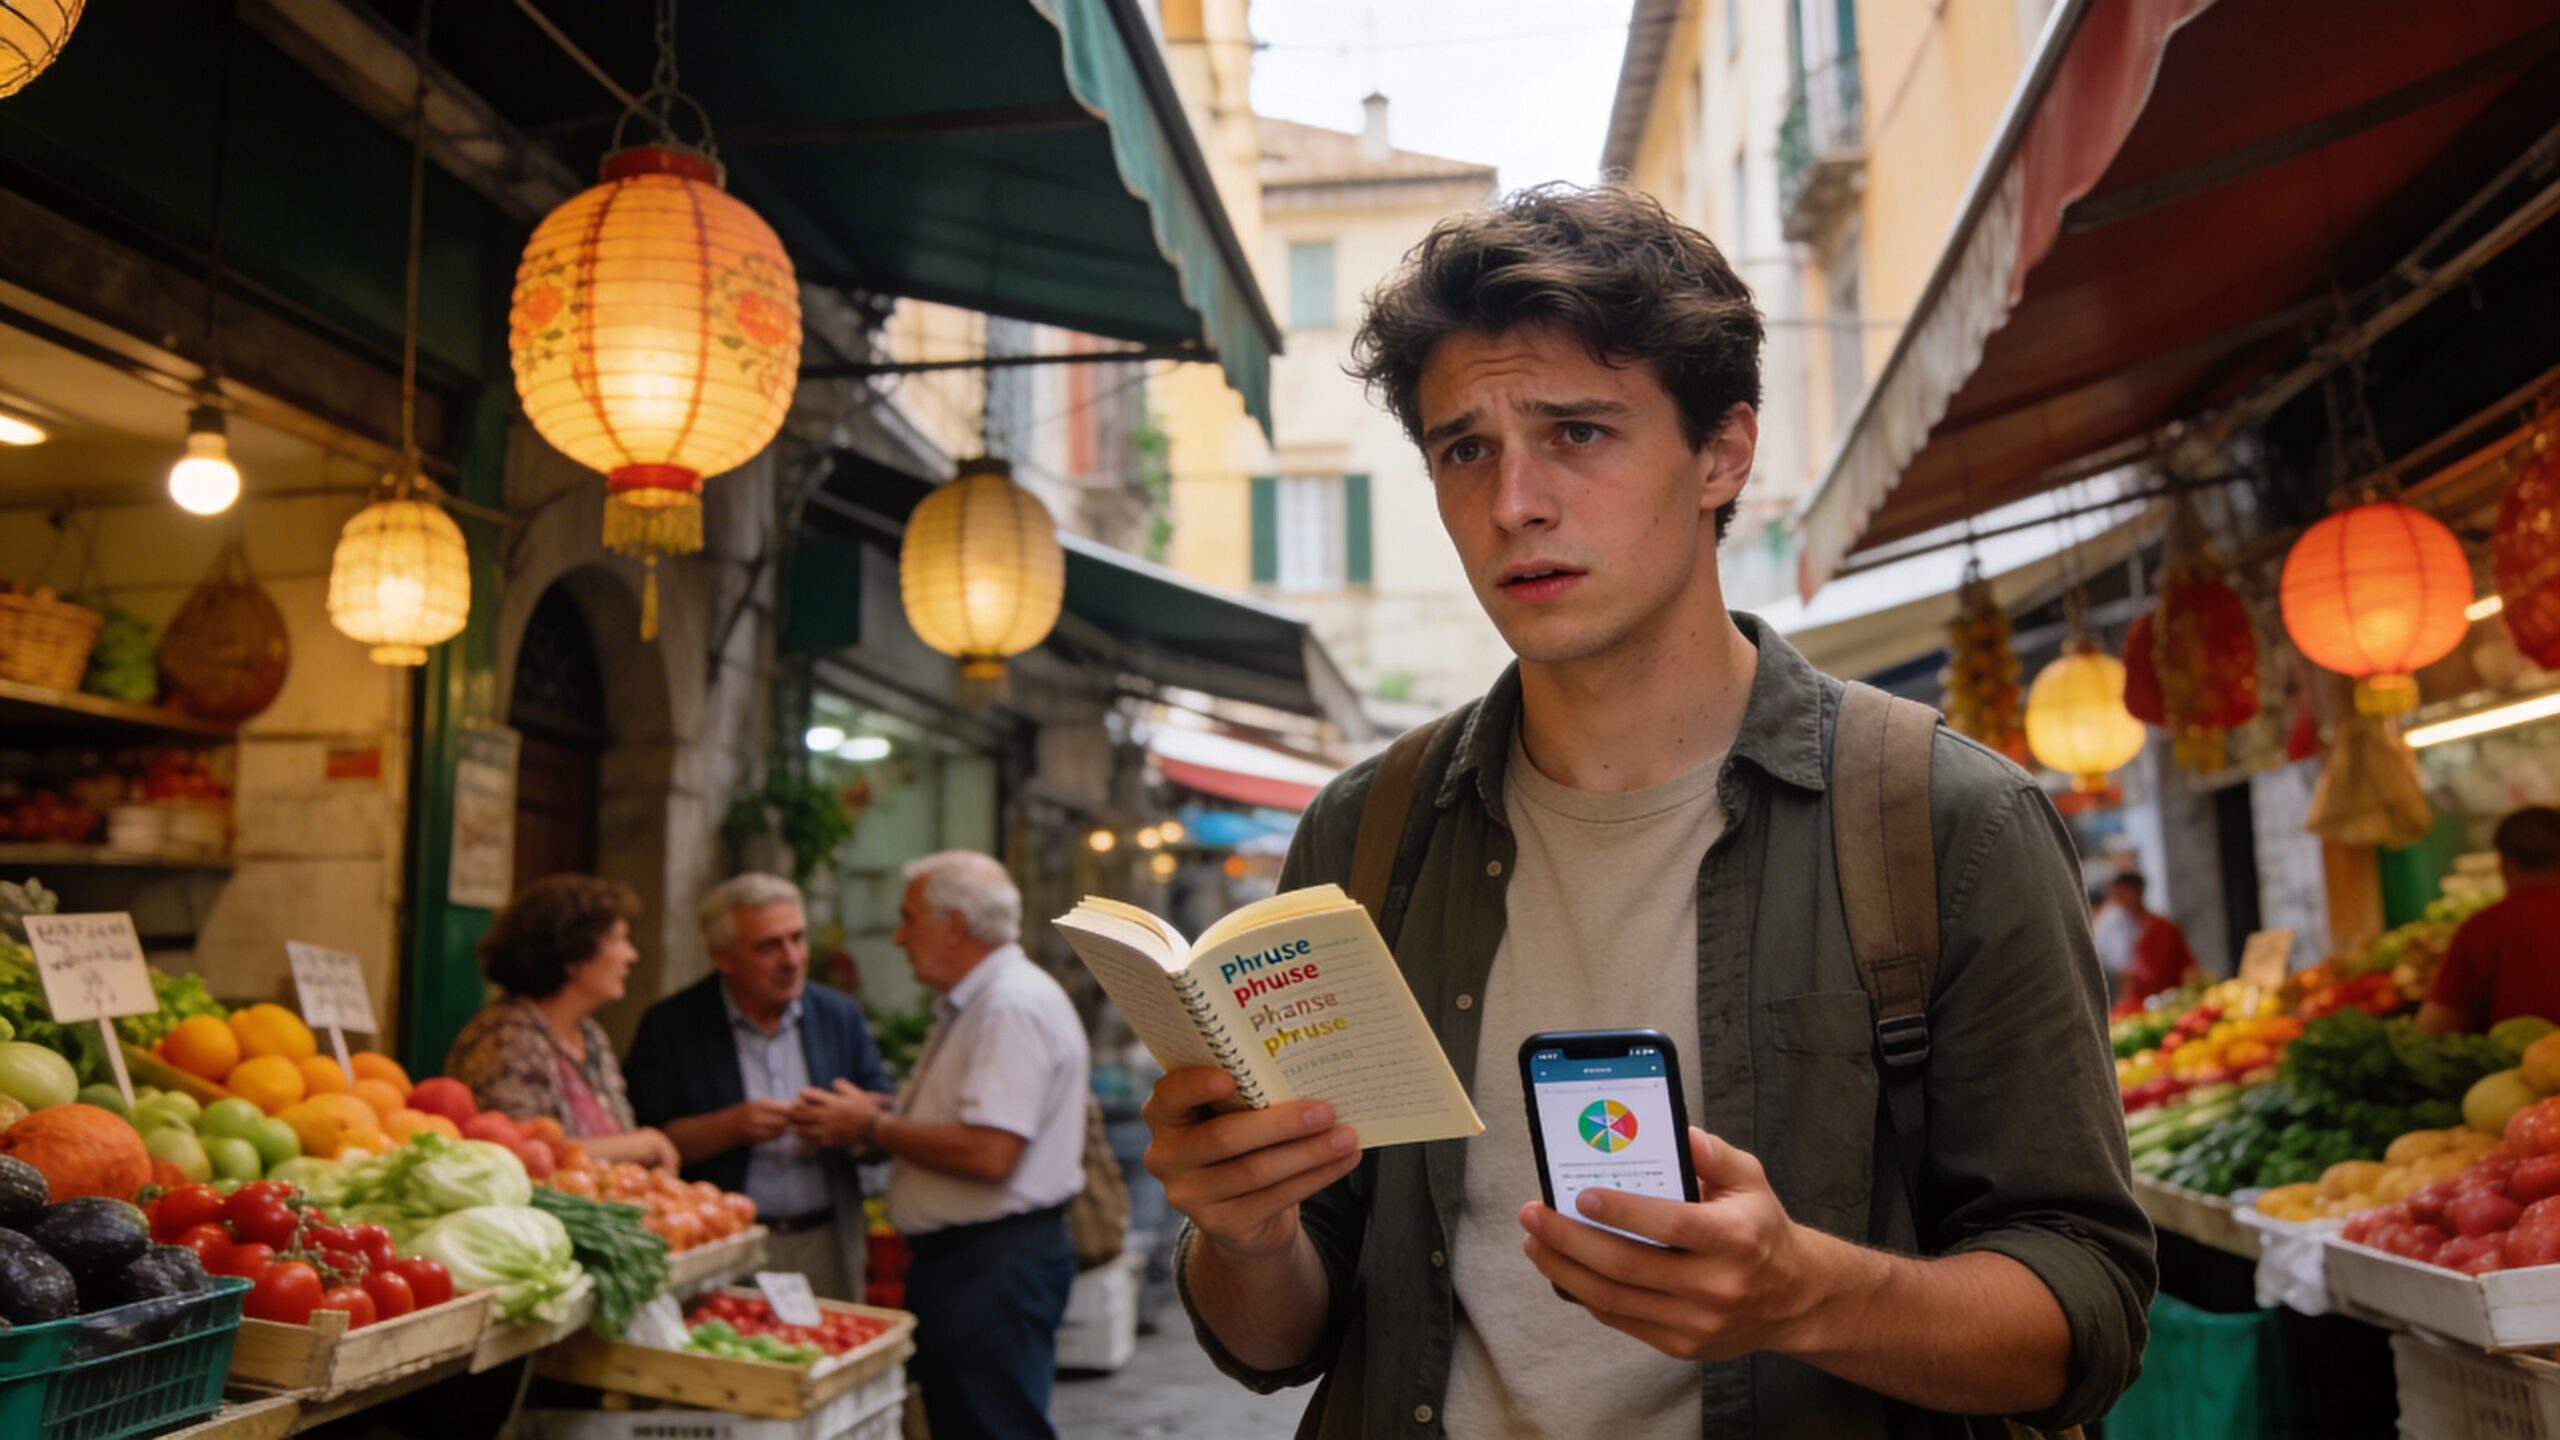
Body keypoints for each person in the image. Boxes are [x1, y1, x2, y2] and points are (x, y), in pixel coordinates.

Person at [1139, 185, 2153, 1437]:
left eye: (1576, 432)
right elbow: (1279, 1340)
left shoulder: (1948, 820)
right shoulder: (1367, 831)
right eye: (1465, 449)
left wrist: (1804, 1294)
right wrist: (1242, 1231)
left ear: (1722, 451)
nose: (1514, 501)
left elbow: (2090, 1309)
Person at [823, 852, 1089, 1440]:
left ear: (955, 924)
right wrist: (882, 1116)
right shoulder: (986, 1000)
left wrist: (873, 1128)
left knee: (991, 1426)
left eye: (908, 918)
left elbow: (991, 1152)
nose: (898, 936)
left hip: (992, 1265)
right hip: (976, 1264)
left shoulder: (1009, 1005)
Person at [623, 874, 894, 1299]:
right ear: (721, 956)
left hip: (825, 1237)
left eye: (798, 939)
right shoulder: (671, 1025)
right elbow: (642, 1145)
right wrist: (731, 1127)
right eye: (769, 946)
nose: (791, 959)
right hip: (720, 1246)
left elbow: (885, 1114)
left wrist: (854, 1122)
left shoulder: (838, 1015)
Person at [444, 874, 681, 1170]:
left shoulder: (589, 1034)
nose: (631, 956)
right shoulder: (507, 1038)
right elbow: (522, 1156)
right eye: (619, 940)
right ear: (572, 953)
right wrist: (643, 1143)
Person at [2418, 807, 2560, 1037]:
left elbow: (2434, 1027)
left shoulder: (2482, 928)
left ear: (2504, 863)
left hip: (2515, 1069)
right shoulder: (2483, 927)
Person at [2113, 872, 2198, 1006]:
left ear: (2137, 892)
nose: (2118, 899)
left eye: (2123, 893)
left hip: (2168, 1000)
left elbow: (2160, 972)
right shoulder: (2118, 925)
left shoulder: (2162, 927)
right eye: (2116, 894)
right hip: (2137, 1003)